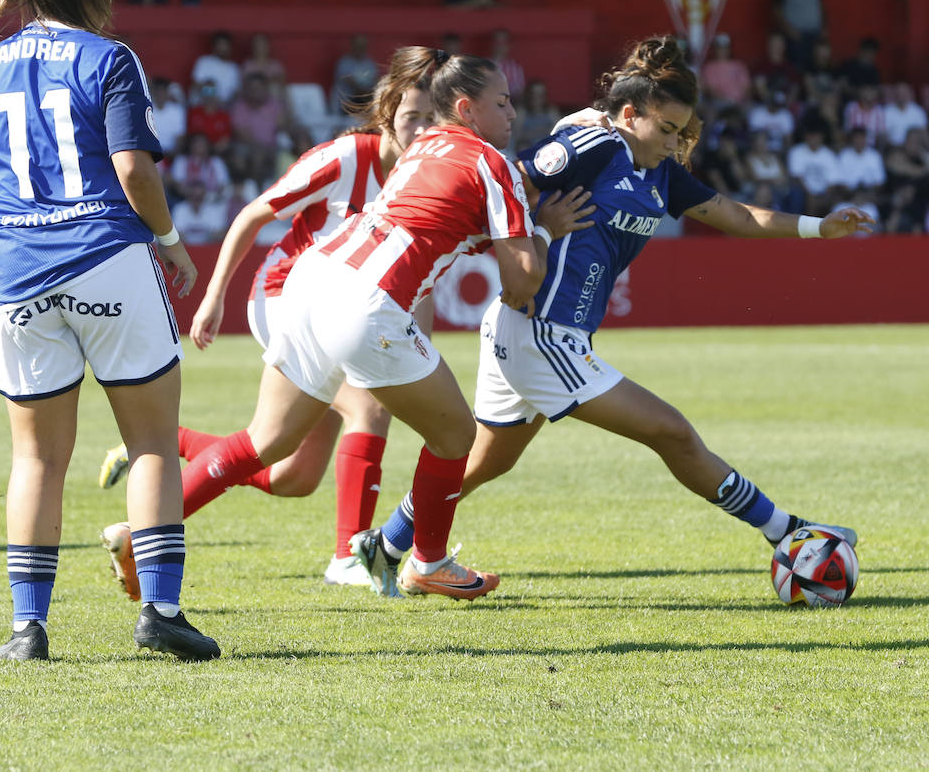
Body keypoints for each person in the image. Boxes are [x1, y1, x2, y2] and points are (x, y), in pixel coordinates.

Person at [351, 36, 871, 598]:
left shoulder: (662, 173)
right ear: (629, 114)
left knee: (482, 461)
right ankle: (789, 533)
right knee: (673, 433)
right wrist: (539, 222)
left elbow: (735, 213)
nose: (674, 144)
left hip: (530, 333)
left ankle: (388, 543)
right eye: (666, 130)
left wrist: (821, 226)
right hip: (542, 334)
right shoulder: (592, 146)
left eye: (681, 133)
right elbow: (512, 183)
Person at [106, 54, 587, 602]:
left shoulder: (422, 149)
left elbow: (437, 223)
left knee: (268, 443)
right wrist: (542, 230)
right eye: (502, 102)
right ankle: (425, 560)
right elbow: (521, 281)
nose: (513, 111)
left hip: (310, 281)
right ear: (466, 108)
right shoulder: (490, 162)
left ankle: (142, 538)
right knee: (455, 435)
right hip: (364, 303)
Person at [0, 0, 218, 661]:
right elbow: (135, 171)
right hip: (105, 260)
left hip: (16, 272)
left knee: (35, 460)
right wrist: (170, 243)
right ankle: (160, 609)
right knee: (153, 441)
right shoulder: (110, 57)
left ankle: (27, 629)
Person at [99, 47, 458, 589]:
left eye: (435, 119)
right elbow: (252, 214)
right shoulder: (344, 158)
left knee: (291, 474)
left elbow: (414, 279)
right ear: (385, 115)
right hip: (287, 298)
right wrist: (215, 296)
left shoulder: (426, 179)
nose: (424, 130)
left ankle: (167, 445)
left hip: (353, 317)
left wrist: (411, 347)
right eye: (413, 117)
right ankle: (348, 556)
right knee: (368, 410)